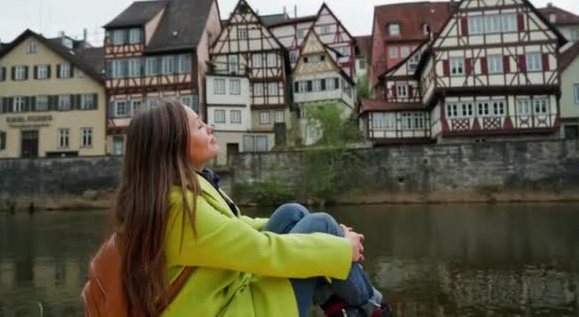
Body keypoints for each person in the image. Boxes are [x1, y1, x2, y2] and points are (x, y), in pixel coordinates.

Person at [112, 99, 392, 316]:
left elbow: (236, 227)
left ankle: (337, 303)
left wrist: (332, 246)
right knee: (322, 225)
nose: (210, 128)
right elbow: (263, 251)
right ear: (171, 147)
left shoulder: (177, 193)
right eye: (199, 126)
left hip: (219, 300)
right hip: (227, 310)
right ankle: (373, 309)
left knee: (292, 214)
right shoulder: (180, 210)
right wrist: (342, 248)